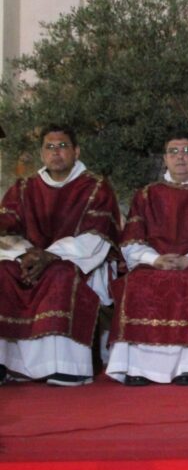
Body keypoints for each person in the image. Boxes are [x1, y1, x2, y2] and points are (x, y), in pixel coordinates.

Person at [0, 126, 121, 386]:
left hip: (77, 261)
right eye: (49, 147)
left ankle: (66, 366)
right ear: (42, 154)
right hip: (29, 258)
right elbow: (7, 224)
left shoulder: (96, 188)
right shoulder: (24, 188)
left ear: (76, 151)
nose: (56, 153)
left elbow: (96, 237)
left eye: (63, 146)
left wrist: (50, 255)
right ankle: (7, 363)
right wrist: (25, 254)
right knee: (4, 273)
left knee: (60, 274)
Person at [106, 133, 188, 386]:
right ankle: (138, 367)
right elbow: (131, 239)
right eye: (173, 152)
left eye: (186, 151)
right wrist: (155, 260)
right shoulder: (146, 195)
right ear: (165, 159)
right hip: (157, 262)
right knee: (138, 281)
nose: (180, 157)